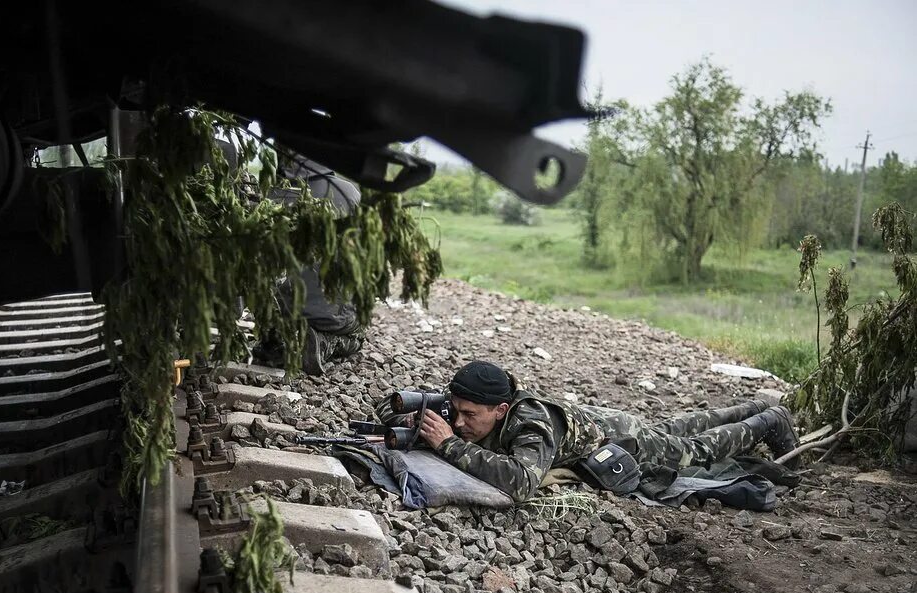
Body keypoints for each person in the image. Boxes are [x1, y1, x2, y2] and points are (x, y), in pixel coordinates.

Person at [374, 360, 798, 502]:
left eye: (470, 416)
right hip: (604, 419)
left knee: (697, 449)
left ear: (502, 410)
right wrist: (414, 418)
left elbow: (522, 482)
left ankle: (768, 420)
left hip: (622, 441)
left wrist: (448, 444)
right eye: (456, 412)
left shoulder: (529, 425)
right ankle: (755, 404)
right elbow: (384, 410)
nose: (461, 422)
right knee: (686, 423)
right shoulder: (473, 403)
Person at [257, 155, 366, 375]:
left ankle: (278, 345)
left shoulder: (267, 194)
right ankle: (325, 343)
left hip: (282, 311)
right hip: (332, 316)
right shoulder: (348, 192)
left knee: (273, 334)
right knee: (357, 335)